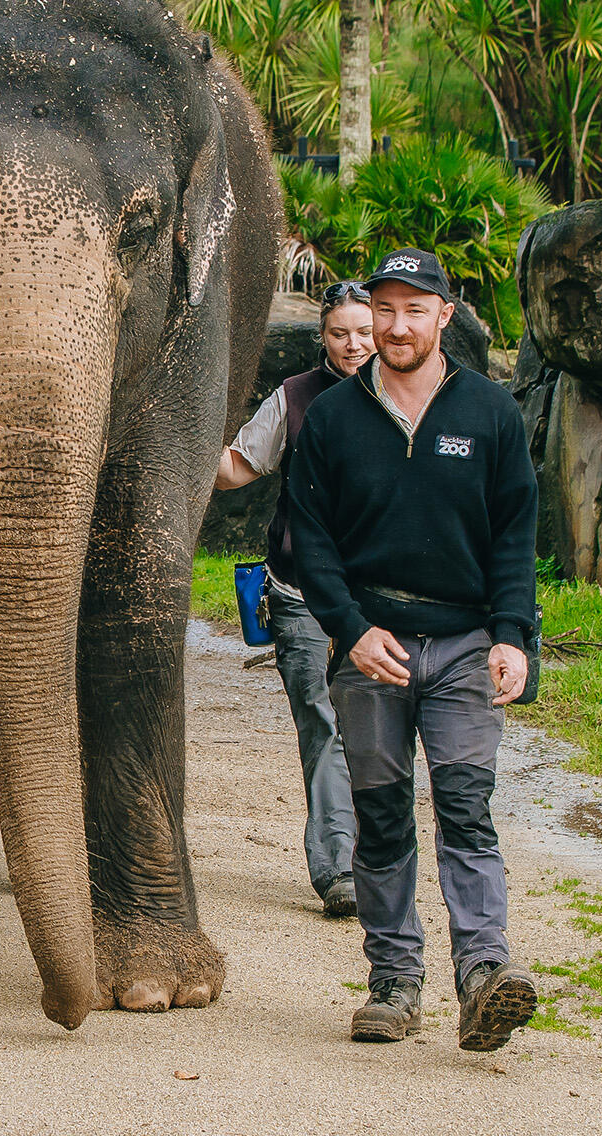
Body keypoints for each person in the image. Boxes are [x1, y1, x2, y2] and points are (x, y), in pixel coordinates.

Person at [284, 246, 539, 1053]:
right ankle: (394, 982)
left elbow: (514, 536)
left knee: (467, 808)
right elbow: (310, 543)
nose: (396, 326)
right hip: (372, 651)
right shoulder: (330, 418)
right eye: (385, 310)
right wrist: (352, 631)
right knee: (384, 818)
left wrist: (511, 636)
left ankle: (483, 974)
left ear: (445, 314)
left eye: (414, 310)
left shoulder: (490, 412)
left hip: (464, 644)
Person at [215, 282, 375, 919]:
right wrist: (182, 443)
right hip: (299, 590)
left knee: (379, 725)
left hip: (379, 599)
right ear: (324, 337)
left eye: (363, 331)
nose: (355, 344)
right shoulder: (295, 398)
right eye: (341, 333)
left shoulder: (410, 393)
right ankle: (339, 868)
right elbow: (237, 468)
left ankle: (380, 856)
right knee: (324, 721)